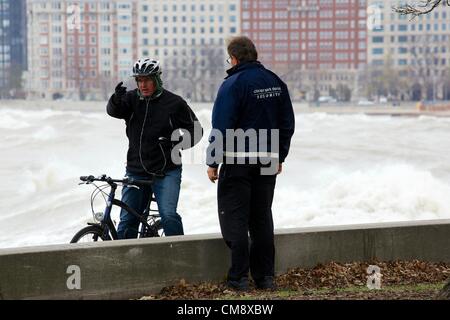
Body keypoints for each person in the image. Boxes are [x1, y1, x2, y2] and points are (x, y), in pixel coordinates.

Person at [206, 37, 295, 290]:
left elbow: (221, 127)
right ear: (254, 55)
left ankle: (239, 279)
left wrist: (213, 161)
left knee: (236, 220)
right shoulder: (275, 81)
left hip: (238, 162)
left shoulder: (233, 84)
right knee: (262, 219)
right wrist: (280, 155)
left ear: (233, 58)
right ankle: (265, 278)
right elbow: (287, 123)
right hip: (267, 161)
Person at [107, 58, 202, 238]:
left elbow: (196, 130)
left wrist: (176, 144)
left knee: (168, 216)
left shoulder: (174, 103)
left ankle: (180, 257)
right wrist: (115, 99)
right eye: (139, 80)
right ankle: (126, 264)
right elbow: (114, 112)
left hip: (166, 171)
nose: (143, 85)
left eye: (148, 80)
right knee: (127, 222)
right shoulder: (131, 100)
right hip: (136, 170)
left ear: (157, 79)